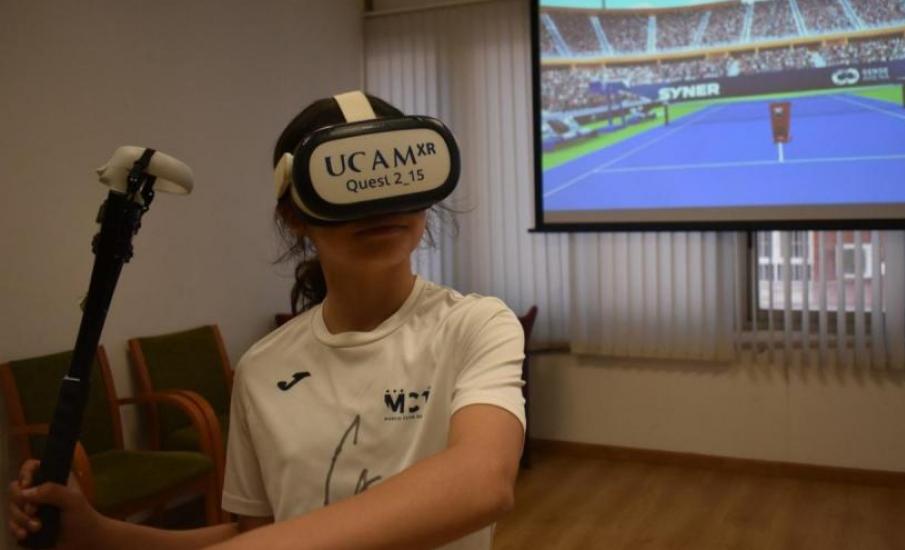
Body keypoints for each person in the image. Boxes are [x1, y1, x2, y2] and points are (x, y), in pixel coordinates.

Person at [7, 92, 526, 550]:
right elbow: (258, 534)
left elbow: (481, 480)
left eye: (397, 178)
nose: (378, 203)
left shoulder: (475, 325)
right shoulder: (261, 368)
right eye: (346, 182)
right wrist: (99, 535)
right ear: (294, 214)